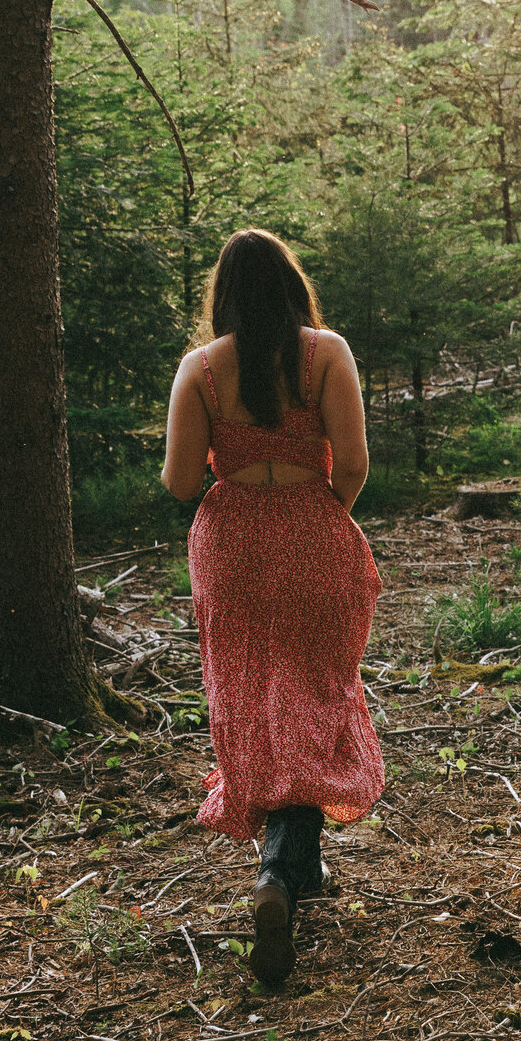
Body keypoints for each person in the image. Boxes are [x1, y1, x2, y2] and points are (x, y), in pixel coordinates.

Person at [162, 229, 383, 985]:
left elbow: (181, 478)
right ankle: (285, 873)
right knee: (316, 695)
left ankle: (287, 870)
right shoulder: (327, 353)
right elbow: (352, 463)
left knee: (254, 701)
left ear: (221, 296)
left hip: (231, 545)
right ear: (293, 287)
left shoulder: (200, 369)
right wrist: (324, 514)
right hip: (310, 527)